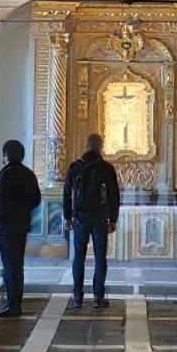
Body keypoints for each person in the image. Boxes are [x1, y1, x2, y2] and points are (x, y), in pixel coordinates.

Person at [63, 132, 120, 309]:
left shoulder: (75, 167)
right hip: (100, 218)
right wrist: (113, 219)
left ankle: (77, 297)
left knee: (78, 257)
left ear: (86, 146)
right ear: (101, 147)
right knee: (100, 257)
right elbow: (114, 196)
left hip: (80, 217)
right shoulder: (107, 168)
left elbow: (66, 193)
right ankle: (98, 297)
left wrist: (67, 216)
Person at [0, 139, 40, 318]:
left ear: (6, 155)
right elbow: (36, 199)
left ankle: (13, 306)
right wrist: (23, 210)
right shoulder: (28, 174)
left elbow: (2, 205)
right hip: (22, 225)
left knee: (11, 267)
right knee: (17, 266)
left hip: (7, 228)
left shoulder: (5, 175)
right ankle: (15, 302)